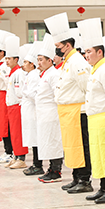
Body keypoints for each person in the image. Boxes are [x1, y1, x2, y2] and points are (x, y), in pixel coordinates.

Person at [45, 13, 92, 193]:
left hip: (77, 111)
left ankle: (84, 179)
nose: (57, 49)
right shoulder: (68, 61)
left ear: (67, 45)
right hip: (67, 111)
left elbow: (86, 86)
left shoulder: (77, 61)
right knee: (71, 146)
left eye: (58, 46)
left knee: (81, 146)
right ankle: (75, 176)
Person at [78, 18, 105, 204]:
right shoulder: (95, 69)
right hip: (95, 119)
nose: (86, 55)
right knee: (98, 154)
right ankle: (102, 187)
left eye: (89, 51)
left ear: (99, 52)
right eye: (85, 52)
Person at [35, 34, 64, 183]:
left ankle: (56, 170)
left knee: (54, 141)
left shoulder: (54, 74)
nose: (39, 63)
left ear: (49, 60)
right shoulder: (44, 74)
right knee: (47, 141)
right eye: (38, 60)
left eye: (41, 60)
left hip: (52, 114)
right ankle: (51, 168)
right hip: (43, 114)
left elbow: (57, 94)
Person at [4, 37, 28, 169]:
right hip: (11, 106)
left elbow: (19, 92)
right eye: (6, 59)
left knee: (18, 132)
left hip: (17, 106)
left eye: (9, 59)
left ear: (16, 60)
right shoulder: (12, 73)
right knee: (13, 132)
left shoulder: (19, 73)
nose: (7, 61)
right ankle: (16, 156)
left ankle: (21, 157)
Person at [0, 30, 16, 164]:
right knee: (2, 124)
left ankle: (9, 151)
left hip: (5, 95)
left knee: (6, 124)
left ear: (3, 52)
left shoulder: (5, 66)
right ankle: (7, 150)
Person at [22, 43, 44, 175]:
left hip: (33, 109)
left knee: (35, 138)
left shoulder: (35, 75)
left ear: (32, 64)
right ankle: (35, 163)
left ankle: (38, 164)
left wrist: (24, 94)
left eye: (25, 62)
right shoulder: (29, 74)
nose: (23, 64)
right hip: (28, 109)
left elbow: (34, 93)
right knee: (32, 137)